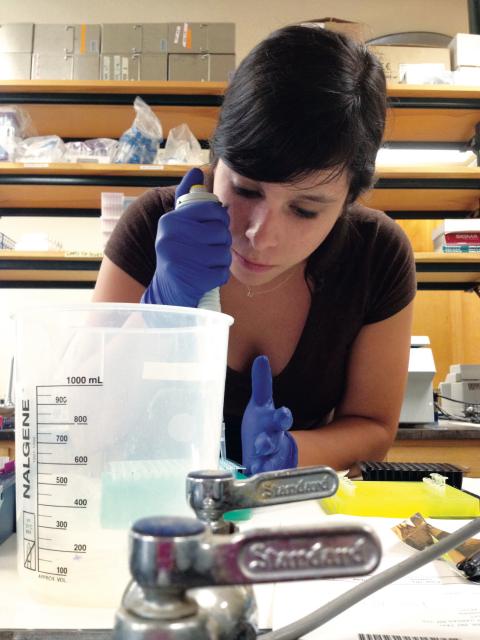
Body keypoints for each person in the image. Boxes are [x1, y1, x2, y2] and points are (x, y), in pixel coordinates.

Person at [93, 24, 416, 476]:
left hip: (284, 517)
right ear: (215, 161)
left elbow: (373, 426)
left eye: (305, 210)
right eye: (244, 189)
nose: (261, 235)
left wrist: (292, 453)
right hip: (149, 505)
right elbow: (86, 419)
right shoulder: (152, 226)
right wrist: (159, 309)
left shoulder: (376, 255)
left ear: (348, 202)